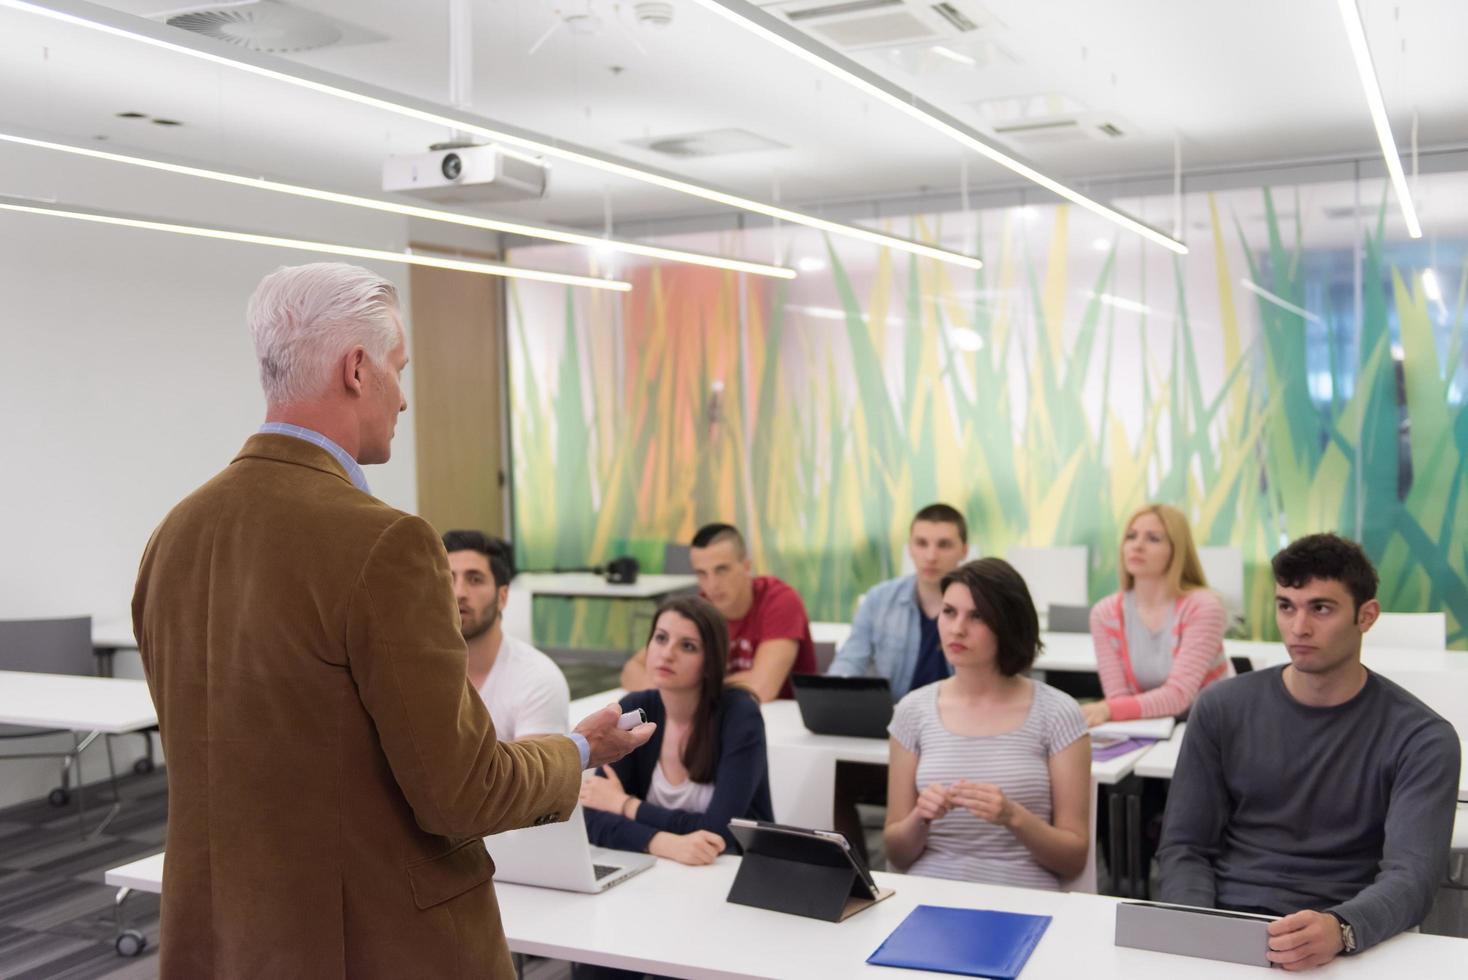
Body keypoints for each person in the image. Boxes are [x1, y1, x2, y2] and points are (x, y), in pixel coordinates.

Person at [132, 262, 652, 980]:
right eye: (398, 369)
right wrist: (578, 751)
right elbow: (461, 791)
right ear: (356, 369)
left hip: (222, 937)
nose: (403, 398)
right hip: (367, 944)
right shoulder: (385, 542)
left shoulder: (174, 534)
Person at [1158, 533, 1460, 970]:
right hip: (1227, 924)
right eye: (1286, 606)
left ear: (1367, 615)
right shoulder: (1221, 708)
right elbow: (1185, 847)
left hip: (1346, 938)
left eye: (1321, 608)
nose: (1298, 627)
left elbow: (1412, 878)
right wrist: (1201, 927)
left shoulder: (1423, 738)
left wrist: (1341, 928)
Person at [883, 559, 1091, 890]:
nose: (957, 628)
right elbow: (896, 853)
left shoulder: (1058, 713)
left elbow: (1073, 859)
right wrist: (919, 818)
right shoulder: (912, 711)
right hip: (927, 897)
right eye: (949, 612)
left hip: (1022, 898)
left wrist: (1013, 817)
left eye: (976, 616)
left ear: (1008, 625)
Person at [582, 596, 774, 864]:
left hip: (734, 874)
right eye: (661, 638)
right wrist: (664, 843)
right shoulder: (635, 709)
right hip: (660, 872)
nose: (667, 653)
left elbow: (720, 833)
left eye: (687, 646)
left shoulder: (740, 716)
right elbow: (594, 817)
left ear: (711, 662)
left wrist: (625, 805)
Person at [620, 523, 815, 701]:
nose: (712, 585)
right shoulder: (700, 609)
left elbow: (762, 688)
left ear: (746, 566)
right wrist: (670, 689)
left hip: (785, 723)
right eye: (702, 573)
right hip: (717, 715)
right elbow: (631, 670)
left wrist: (684, 685)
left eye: (722, 570)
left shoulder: (779, 600)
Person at [1083, 503, 1230, 728]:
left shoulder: (1204, 607)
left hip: (1211, 727)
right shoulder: (1104, 613)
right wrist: (1113, 708)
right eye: (1131, 536)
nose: (1137, 546)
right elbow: (1118, 697)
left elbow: (1179, 696)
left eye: (1153, 538)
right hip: (1148, 727)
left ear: (1176, 550)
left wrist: (1108, 709)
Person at [828, 503, 970, 698]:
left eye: (944, 545)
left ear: (964, 550)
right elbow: (851, 661)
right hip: (893, 720)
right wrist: (832, 694)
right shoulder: (878, 599)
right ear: (910, 547)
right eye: (921, 543)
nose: (931, 556)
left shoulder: (982, 605)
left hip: (961, 721)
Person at [444, 529, 569, 740]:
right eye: (448, 579)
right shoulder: (414, 672)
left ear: (502, 597)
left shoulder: (538, 680)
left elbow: (531, 773)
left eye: (474, 580)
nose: (459, 593)